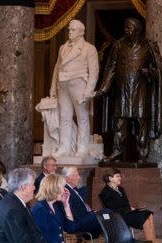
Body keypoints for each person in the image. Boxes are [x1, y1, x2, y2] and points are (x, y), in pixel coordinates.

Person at [95, 17, 162, 163]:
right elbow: (111, 68)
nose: (126, 31)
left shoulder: (148, 46)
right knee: (119, 123)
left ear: (138, 30)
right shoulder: (118, 45)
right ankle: (116, 152)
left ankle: (142, 154)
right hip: (123, 91)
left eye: (129, 28)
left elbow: (158, 71)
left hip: (140, 91)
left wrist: (149, 72)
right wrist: (104, 88)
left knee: (141, 123)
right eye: (125, 27)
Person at [50, 20, 99, 158]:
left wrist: (89, 91)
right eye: (69, 30)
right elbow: (57, 68)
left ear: (81, 32)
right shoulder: (62, 47)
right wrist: (53, 87)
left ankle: (82, 148)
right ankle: (64, 147)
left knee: (82, 117)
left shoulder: (89, 48)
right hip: (63, 84)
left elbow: (94, 72)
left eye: (73, 30)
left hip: (79, 83)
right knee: (64, 117)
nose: (70, 32)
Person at [62, 166, 121, 243]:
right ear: (68, 178)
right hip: (78, 223)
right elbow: (76, 214)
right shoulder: (66, 191)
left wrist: (93, 213)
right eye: (76, 175)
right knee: (107, 212)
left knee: (108, 227)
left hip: (86, 218)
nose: (79, 177)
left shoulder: (75, 190)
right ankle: (122, 236)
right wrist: (93, 214)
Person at [98, 168, 162, 243]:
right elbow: (112, 210)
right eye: (117, 176)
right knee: (145, 218)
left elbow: (125, 204)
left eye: (120, 176)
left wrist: (132, 208)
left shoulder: (121, 189)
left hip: (127, 214)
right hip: (119, 218)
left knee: (148, 213)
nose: (120, 178)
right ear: (110, 178)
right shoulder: (105, 192)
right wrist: (128, 208)